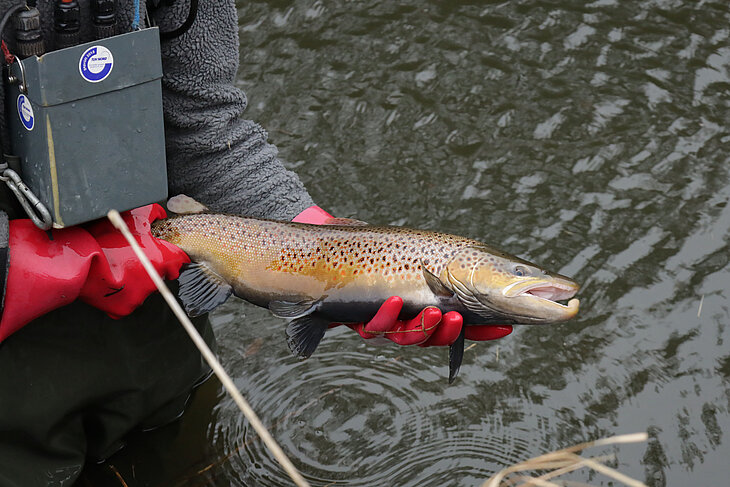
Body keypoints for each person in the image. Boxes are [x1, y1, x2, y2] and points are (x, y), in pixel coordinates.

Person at [0, 0, 513, 485]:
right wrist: (31, 270)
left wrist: (322, 243)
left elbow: (200, 131)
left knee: (183, 459)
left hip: (157, 301)